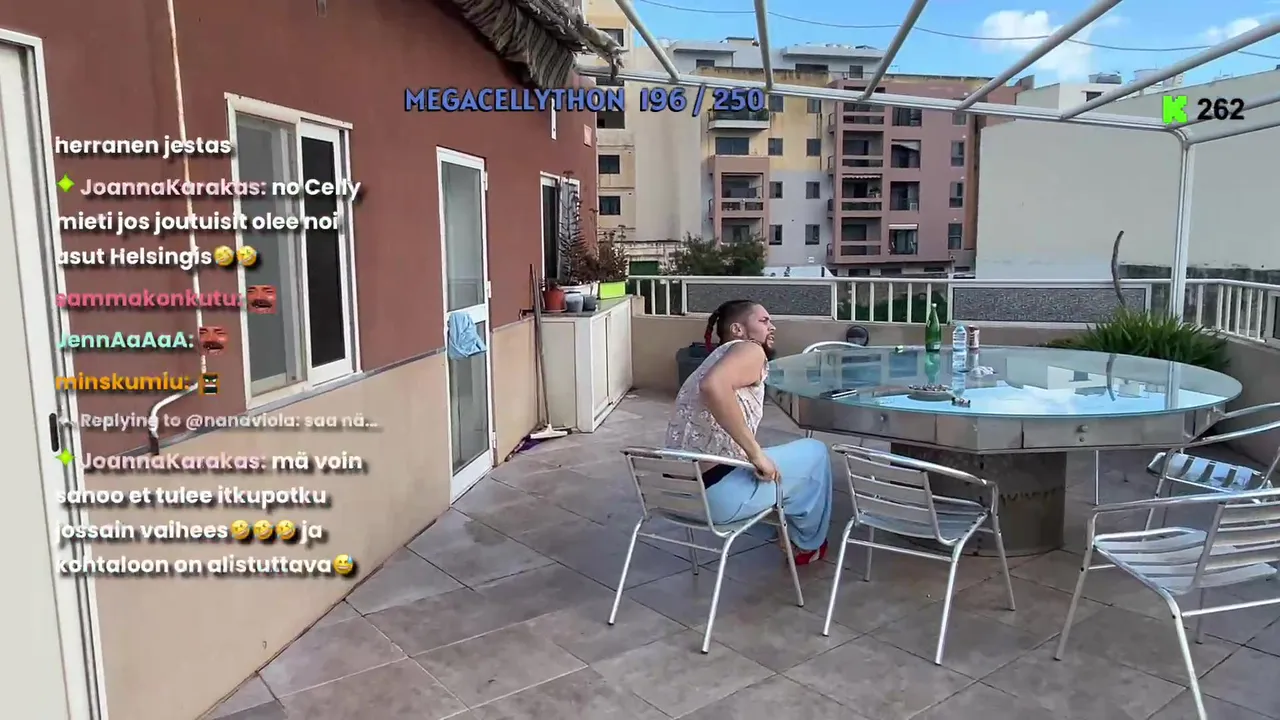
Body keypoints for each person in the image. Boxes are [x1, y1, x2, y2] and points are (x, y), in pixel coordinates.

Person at [665, 299, 832, 565]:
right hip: (715, 501)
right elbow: (714, 386)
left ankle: (785, 528)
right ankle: (806, 544)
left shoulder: (710, 362)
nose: (772, 327)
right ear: (738, 330)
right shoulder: (750, 349)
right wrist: (756, 454)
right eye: (764, 321)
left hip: (673, 498)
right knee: (815, 452)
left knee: (781, 467)